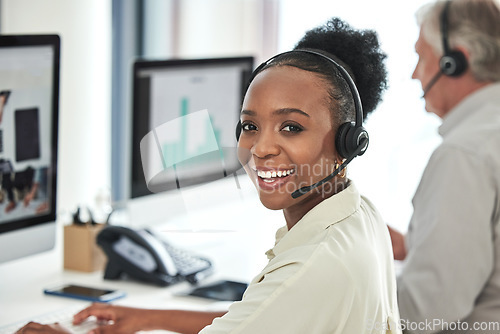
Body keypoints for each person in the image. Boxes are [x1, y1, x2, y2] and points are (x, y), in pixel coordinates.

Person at [17, 17, 400, 334]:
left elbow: (280, 304)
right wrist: (147, 317)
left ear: (348, 143)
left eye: (291, 128)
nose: (261, 148)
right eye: (250, 126)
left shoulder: (312, 268)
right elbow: (258, 318)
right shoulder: (358, 215)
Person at [388, 0, 500, 333]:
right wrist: (413, 245)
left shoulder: (463, 154)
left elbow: (423, 313)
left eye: (421, 57)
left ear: (454, 62)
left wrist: (343, 294)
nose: (414, 74)